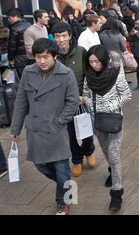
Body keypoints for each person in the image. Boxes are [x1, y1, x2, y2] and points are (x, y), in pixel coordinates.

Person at [10, 38, 80, 215]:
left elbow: (72, 102)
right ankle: (67, 187)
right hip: (36, 129)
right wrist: (15, 129)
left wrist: (59, 122)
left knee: (62, 167)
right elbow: (21, 101)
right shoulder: (28, 71)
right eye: (38, 57)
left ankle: (63, 200)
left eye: (46, 57)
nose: (42, 61)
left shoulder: (66, 74)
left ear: (54, 56)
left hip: (56, 129)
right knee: (40, 165)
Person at [82, 45, 132, 211]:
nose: (94, 65)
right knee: (106, 153)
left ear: (104, 60)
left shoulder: (115, 74)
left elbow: (127, 95)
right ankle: (113, 171)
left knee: (114, 154)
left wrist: (110, 106)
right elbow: (86, 95)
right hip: (98, 122)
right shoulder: (89, 77)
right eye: (91, 62)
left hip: (114, 120)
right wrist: (93, 106)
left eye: (97, 61)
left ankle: (116, 193)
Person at [51, 23, 95, 177]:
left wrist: (85, 95)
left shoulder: (81, 52)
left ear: (70, 36)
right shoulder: (52, 55)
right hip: (62, 104)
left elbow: (89, 75)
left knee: (86, 131)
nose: (61, 39)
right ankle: (77, 160)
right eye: (57, 36)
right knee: (70, 134)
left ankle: (89, 151)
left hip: (81, 100)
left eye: (64, 35)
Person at [7, 9, 31, 78]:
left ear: (15, 16)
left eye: (9, 17)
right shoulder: (28, 24)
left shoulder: (14, 28)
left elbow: (12, 46)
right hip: (29, 54)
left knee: (23, 77)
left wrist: (10, 58)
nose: (8, 19)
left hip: (19, 56)